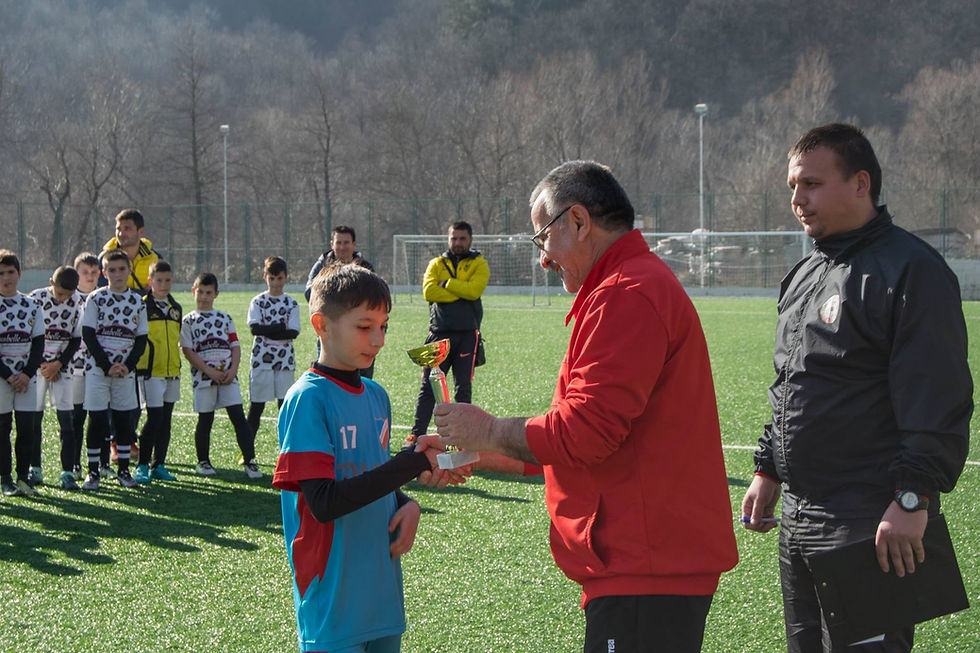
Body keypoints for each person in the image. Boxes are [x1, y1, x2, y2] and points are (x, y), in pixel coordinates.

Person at [426, 162, 738, 653]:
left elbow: (583, 434)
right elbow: (588, 443)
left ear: (578, 221)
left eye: (542, 239)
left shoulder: (626, 292)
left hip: (645, 568)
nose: (543, 260)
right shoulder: (626, 286)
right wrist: (473, 453)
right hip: (644, 564)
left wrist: (487, 430)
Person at [740, 124, 973, 653]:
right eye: (792, 186)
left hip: (867, 519)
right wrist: (768, 467)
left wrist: (913, 497)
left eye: (813, 185)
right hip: (799, 518)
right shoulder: (804, 274)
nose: (798, 200)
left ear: (861, 183)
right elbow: (791, 384)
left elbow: (937, 396)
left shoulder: (912, 270)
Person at [273, 263, 460, 653]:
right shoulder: (308, 398)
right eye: (364, 326)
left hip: (380, 595)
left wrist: (405, 504)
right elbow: (323, 503)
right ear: (321, 324)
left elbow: (369, 474)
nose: (378, 339)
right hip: (334, 604)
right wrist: (412, 462)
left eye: (384, 325)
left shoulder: (377, 396)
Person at [409, 220, 489, 439]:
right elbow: (429, 293)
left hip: (467, 334)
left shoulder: (479, 263)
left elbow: (474, 291)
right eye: (454, 238)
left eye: (462, 238)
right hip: (438, 332)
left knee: (463, 387)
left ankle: (462, 437)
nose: (458, 242)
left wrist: (447, 284)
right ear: (448, 239)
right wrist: (459, 290)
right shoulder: (436, 263)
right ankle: (416, 436)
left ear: (470, 240)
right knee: (428, 386)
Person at [180, 272, 261, 479]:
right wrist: (208, 371)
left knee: (238, 418)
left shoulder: (225, 318)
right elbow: (187, 350)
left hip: (227, 377)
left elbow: (235, 346)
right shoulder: (188, 321)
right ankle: (203, 461)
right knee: (205, 420)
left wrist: (232, 369)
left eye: (209, 292)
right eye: (200, 292)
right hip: (204, 378)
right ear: (193, 291)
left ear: (216, 294)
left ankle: (250, 460)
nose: (204, 296)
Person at [79, 249, 148, 490]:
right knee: (97, 419)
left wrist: (127, 366)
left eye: (121, 269)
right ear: (103, 272)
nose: (117, 274)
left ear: (129, 270)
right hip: (99, 370)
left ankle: (124, 471)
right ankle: (93, 471)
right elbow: (88, 334)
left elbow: (141, 338)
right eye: (111, 269)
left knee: (123, 421)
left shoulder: (137, 301)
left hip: (125, 372)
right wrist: (107, 365)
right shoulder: (96, 298)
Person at [29, 266, 84, 490]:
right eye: (60, 294)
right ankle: (35, 469)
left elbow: (75, 339)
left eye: (68, 295)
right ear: (51, 282)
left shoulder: (78, 302)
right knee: (33, 420)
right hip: (36, 368)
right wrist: (43, 363)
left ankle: (67, 472)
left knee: (67, 422)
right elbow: (29, 334)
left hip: (63, 368)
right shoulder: (35, 298)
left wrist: (58, 364)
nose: (63, 299)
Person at [0, 250, 45, 497]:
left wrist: (27, 374)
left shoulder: (31, 305)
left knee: (27, 428)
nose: (6, 278)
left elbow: (38, 343)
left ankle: (23, 477)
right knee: (2, 429)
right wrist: (9, 376)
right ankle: (6, 479)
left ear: (19, 274)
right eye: (1, 273)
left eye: (10, 272)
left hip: (27, 379)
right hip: (3, 379)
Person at [133, 260, 182, 483]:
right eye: (159, 280)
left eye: (167, 280)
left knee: (166, 421)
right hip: (150, 372)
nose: (163, 284)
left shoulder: (175, 308)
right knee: (154, 419)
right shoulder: (141, 306)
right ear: (149, 281)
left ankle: (158, 464)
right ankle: (142, 464)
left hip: (172, 371)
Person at [305, 226, 375, 377]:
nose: (342, 247)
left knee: (362, 379)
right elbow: (310, 292)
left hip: (361, 332)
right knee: (328, 377)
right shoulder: (322, 265)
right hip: (330, 330)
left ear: (354, 244)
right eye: (338, 243)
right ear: (332, 244)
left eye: (346, 242)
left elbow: (375, 298)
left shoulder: (365, 267)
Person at [246, 256, 300, 440]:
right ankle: (247, 451)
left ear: (286, 277)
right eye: (272, 278)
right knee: (256, 407)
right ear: (265, 277)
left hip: (285, 361)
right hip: (261, 360)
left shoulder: (291, 303)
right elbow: (255, 329)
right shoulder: (258, 301)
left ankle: (286, 448)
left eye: (279, 278)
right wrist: (278, 328)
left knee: (284, 407)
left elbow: (293, 332)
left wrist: (268, 330)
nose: (276, 283)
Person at [98, 208, 161, 295]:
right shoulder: (104, 258)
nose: (121, 233)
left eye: (127, 229)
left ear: (141, 231)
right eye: (118, 229)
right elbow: (104, 292)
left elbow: (162, 291)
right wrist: (144, 293)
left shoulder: (155, 258)